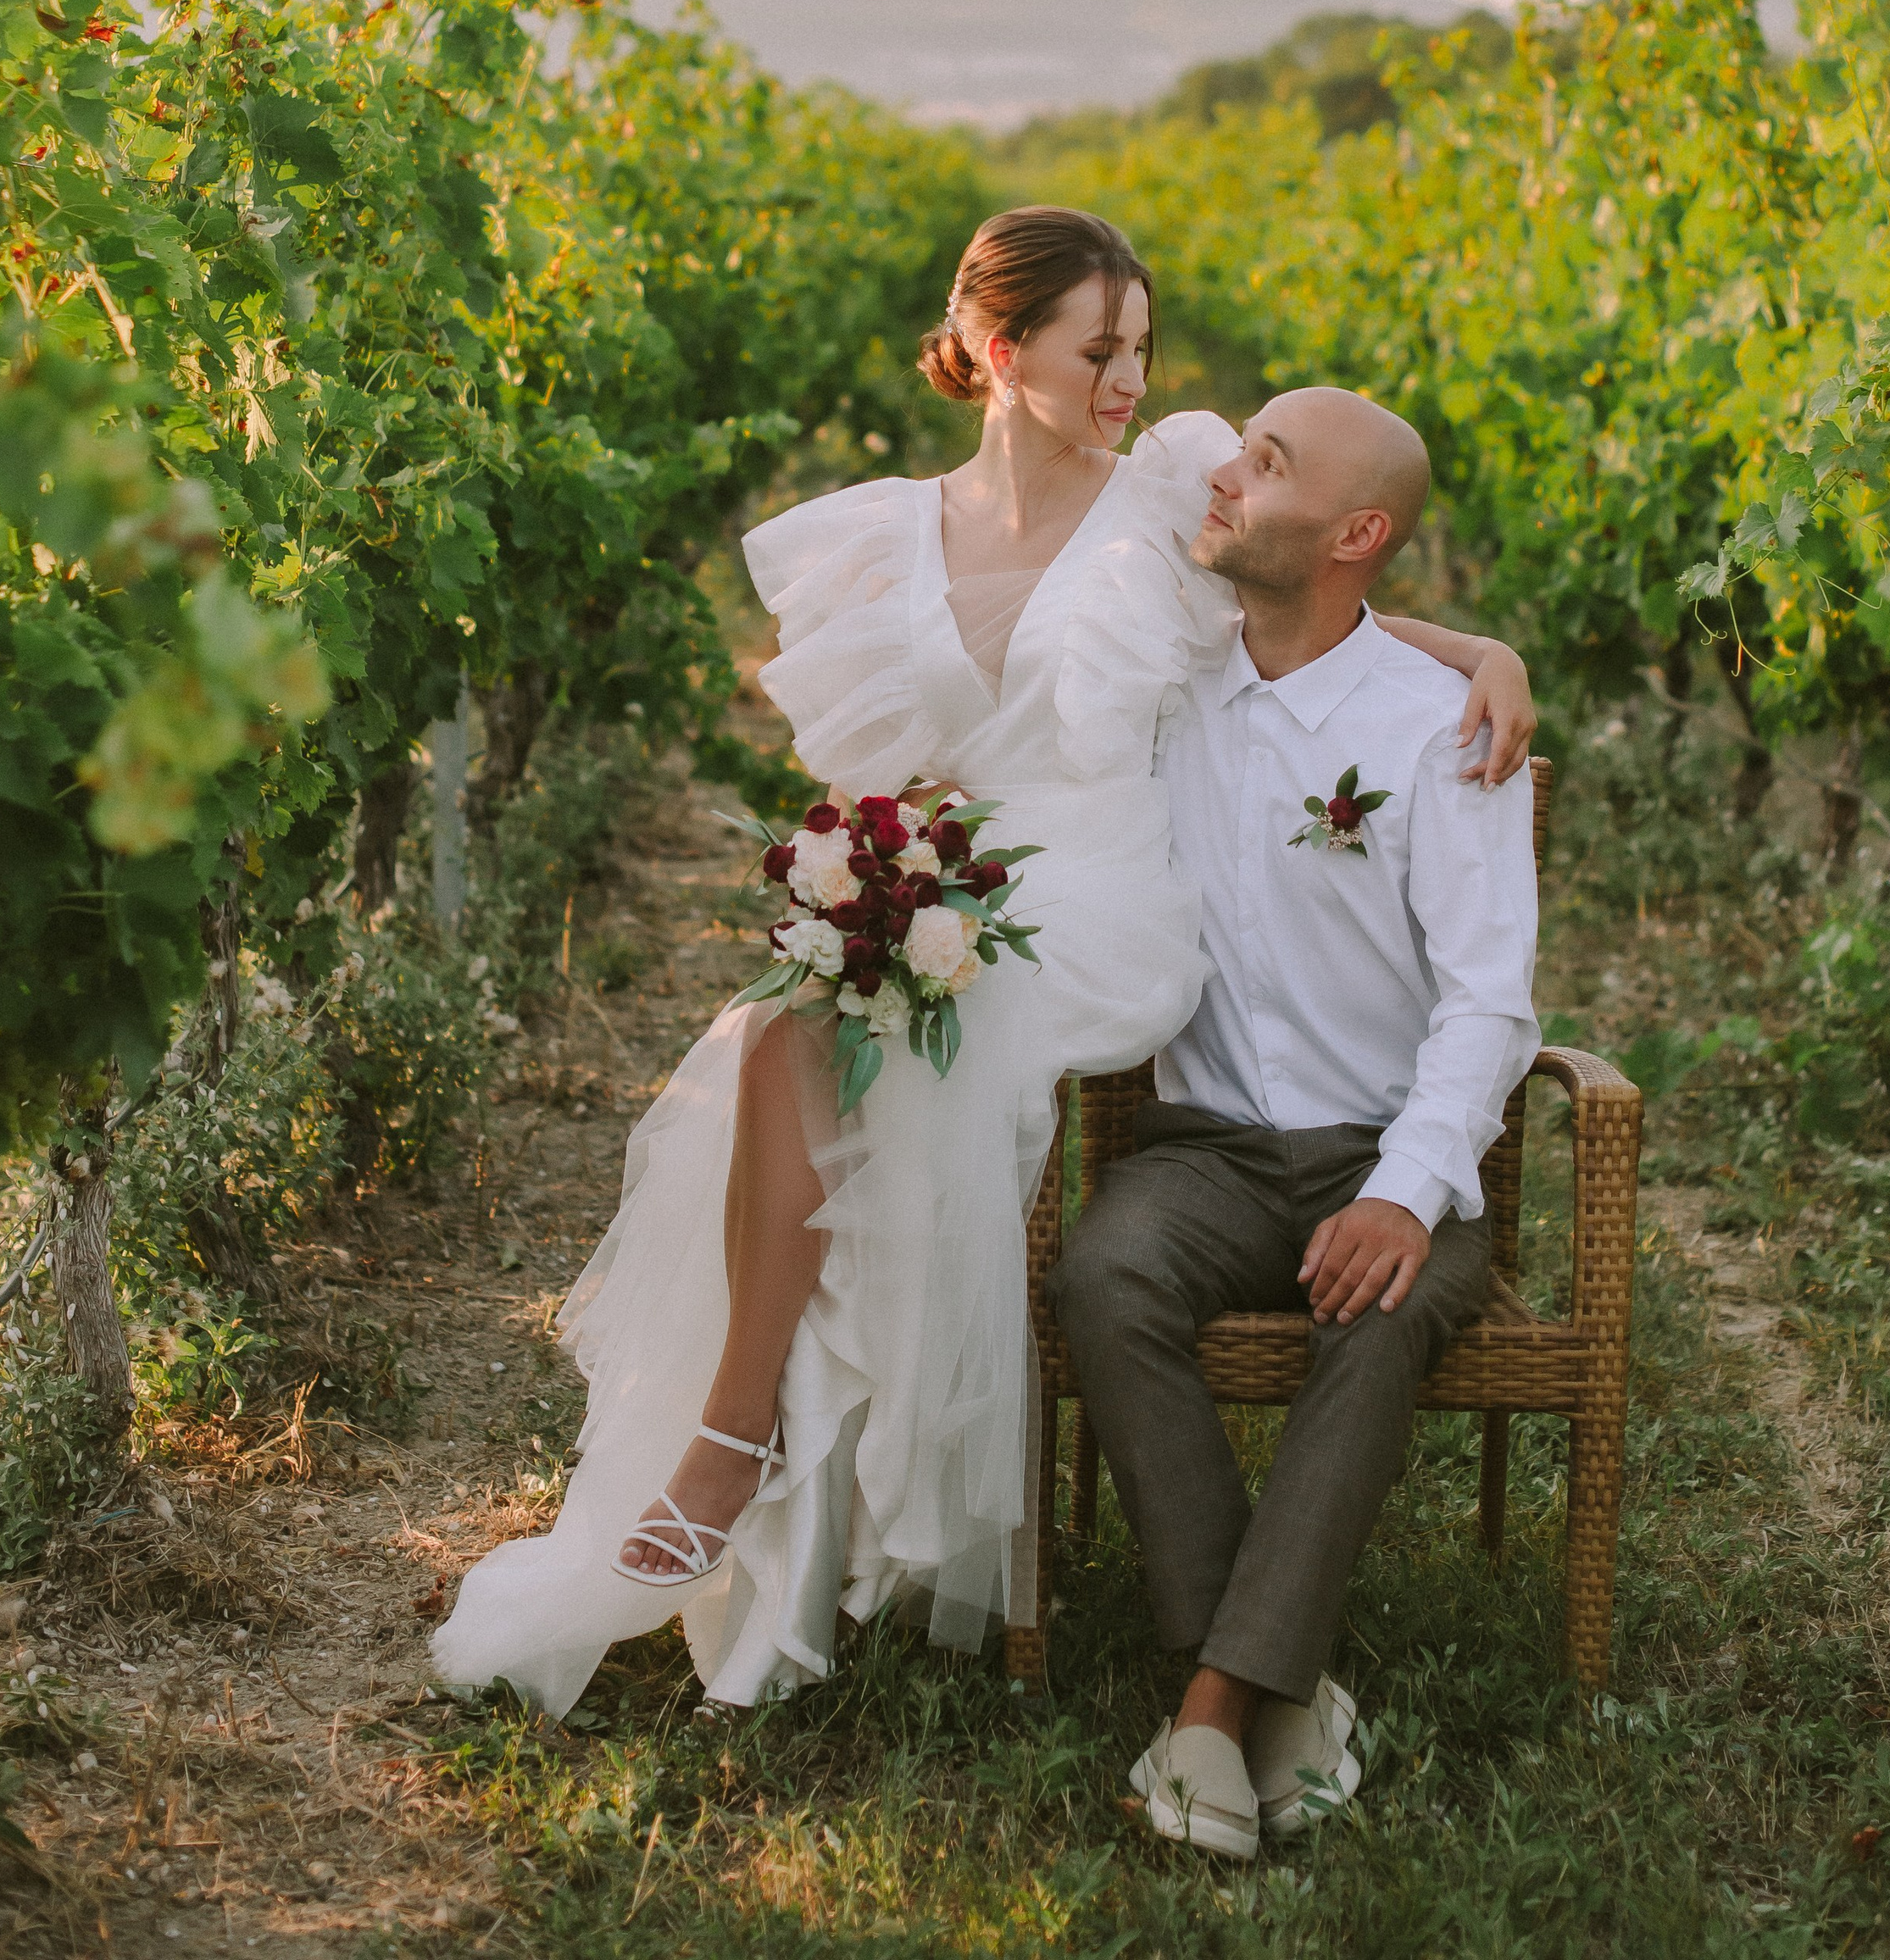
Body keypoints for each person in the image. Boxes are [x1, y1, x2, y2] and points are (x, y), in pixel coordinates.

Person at [431, 211, 1535, 1717]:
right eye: (1103, 349)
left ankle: (798, 1467)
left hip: (1105, 896)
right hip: (971, 875)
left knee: (896, 1033)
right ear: (1005, 352)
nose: (1136, 379)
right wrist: (890, 871)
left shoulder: (1168, 491)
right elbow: (919, 763)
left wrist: (1485, 656)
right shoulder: (886, 532)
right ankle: (737, 1437)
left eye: (1143, 343)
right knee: (780, 1036)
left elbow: (1316, 598)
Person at [1049, 386, 1540, 1863]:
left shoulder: (1431, 728)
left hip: (1389, 1150)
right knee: (1103, 1272)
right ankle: (1281, 1698)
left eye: (1267, 463)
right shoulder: (1168, 682)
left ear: (1356, 533)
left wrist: (1402, 1192)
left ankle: (1209, 1703)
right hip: (1204, 1150)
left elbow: (1491, 1001)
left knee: (1381, 1308)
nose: (1226, 472)